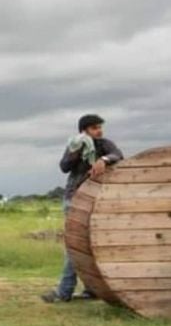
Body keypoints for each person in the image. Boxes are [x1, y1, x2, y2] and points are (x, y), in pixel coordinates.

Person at [41, 114, 123, 303]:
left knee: (93, 245)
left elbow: (117, 155)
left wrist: (103, 159)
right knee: (75, 246)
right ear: (83, 131)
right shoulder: (75, 146)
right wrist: (76, 151)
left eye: (99, 127)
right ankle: (65, 291)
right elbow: (64, 166)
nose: (99, 130)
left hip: (97, 200)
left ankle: (88, 289)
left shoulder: (104, 144)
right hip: (75, 199)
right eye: (94, 128)